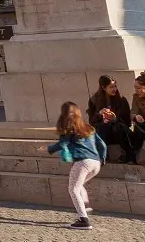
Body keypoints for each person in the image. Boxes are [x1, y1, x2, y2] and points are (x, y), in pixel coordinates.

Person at [47, 101, 106, 230]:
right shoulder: (88, 128)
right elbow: (102, 145)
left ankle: (83, 220)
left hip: (82, 162)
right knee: (79, 186)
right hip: (96, 163)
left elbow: (62, 144)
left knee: (73, 189)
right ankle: (85, 205)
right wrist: (102, 159)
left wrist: (49, 149)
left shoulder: (70, 129)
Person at [87, 75, 139, 163]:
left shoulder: (121, 99)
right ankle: (102, 155)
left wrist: (115, 118)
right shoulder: (94, 100)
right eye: (111, 87)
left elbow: (127, 121)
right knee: (103, 126)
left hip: (119, 128)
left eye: (115, 86)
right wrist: (100, 114)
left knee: (115, 127)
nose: (114, 89)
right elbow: (91, 122)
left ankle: (127, 156)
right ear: (103, 88)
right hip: (102, 129)